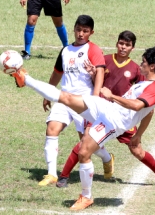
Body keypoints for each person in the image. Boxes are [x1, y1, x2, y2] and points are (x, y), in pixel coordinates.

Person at [9, 45, 155, 210]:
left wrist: (112, 96)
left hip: (114, 122)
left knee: (84, 152)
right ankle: (25, 79)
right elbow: (148, 112)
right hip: (107, 108)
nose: (141, 64)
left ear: (152, 66)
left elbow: (137, 106)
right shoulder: (145, 83)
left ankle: (86, 197)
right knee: (67, 97)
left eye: (143, 62)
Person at [56, 30, 155, 189]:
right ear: (117, 43)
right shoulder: (105, 59)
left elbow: (145, 107)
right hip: (100, 111)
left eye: (127, 45)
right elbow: (97, 81)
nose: (123, 47)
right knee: (84, 142)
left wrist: (139, 134)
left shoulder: (138, 71)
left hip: (122, 116)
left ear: (132, 48)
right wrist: (93, 74)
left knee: (136, 148)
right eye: (121, 43)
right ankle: (64, 177)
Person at [37, 14, 115, 186]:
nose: (81, 34)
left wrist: (95, 99)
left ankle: (108, 158)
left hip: (84, 101)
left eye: (85, 31)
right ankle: (51, 174)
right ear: (74, 29)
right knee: (51, 129)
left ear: (91, 32)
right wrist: (47, 93)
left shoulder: (93, 49)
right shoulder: (65, 51)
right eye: (78, 30)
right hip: (64, 98)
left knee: (86, 141)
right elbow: (57, 73)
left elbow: (100, 73)